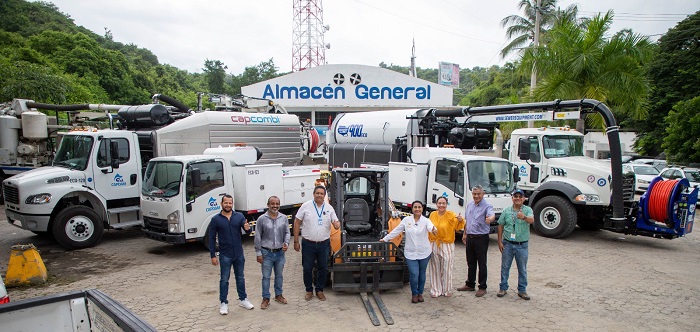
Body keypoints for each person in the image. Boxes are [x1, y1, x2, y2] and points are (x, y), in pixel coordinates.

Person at [381, 200, 437, 304]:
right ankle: (414, 293)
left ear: (422, 209)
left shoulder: (426, 220)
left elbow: (431, 227)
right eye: (415, 207)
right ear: (412, 209)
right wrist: (385, 239)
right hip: (410, 253)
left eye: (419, 207)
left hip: (424, 252)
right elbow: (397, 230)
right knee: (414, 274)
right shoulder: (406, 220)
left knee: (422, 274)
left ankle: (420, 293)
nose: (417, 209)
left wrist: (433, 229)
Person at [209, 194, 254, 315]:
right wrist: (213, 255)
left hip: (238, 254)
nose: (228, 205)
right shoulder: (216, 219)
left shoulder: (239, 216)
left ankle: (243, 299)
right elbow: (211, 238)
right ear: (221, 204)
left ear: (232, 204)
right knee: (224, 279)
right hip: (225, 255)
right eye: (226, 203)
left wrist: (248, 228)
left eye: (230, 203)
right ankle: (223, 303)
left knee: (240, 278)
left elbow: (248, 232)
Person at [293, 186, 340, 301]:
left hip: (323, 244)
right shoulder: (306, 206)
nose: (319, 195)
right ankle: (309, 290)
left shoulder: (329, 208)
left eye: (321, 193)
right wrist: (295, 241)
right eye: (317, 193)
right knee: (307, 268)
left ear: (324, 195)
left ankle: (319, 290)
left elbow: (336, 221)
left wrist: (337, 224)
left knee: (323, 268)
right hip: (308, 243)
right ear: (313, 194)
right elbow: (297, 222)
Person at [457, 185, 495, 297]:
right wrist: (465, 233)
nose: (476, 196)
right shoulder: (469, 205)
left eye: (478, 194)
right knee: (470, 262)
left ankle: (482, 287)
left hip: (481, 238)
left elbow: (491, 215)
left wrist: (490, 219)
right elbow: (467, 221)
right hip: (470, 237)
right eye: (474, 194)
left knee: (482, 263)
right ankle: (470, 284)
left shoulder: (487, 205)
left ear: (483, 194)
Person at [497, 189, 534, 300]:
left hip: (522, 245)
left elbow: (532, 220)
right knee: (505, 267)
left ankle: (522, 290)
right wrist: (499, 241)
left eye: (520, 196)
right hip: (508, 243)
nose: (517, 198)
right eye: (515, 196)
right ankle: (503, 287)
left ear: (523, 198)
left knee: (522, 268)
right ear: (512, 198)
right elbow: (500, 226)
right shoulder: (507, 211)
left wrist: (524, 217)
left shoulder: (527, 210)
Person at [254, 196, 290, 309]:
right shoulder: (261, 219)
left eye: (277, 204)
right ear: (268, 205)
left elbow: (287, 233)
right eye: (272, 204)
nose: (275, 206)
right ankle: (266, 298)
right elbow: (258, 236)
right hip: (266, 253)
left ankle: (278, 295)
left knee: (279, 275)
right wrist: (258, 253)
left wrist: (286, 243)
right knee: (266, 277)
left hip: (280, 253)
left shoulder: (284, 218)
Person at [428, 196, 465, 298]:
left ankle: (447, 289)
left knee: (447, 267)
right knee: (435, 267)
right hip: (434, 243)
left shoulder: (450, 215)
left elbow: (458, 226)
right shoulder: (432, 214)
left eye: (443, 203)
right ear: (436, 204)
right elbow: (428, 227)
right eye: (439, 203)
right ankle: (435, 290)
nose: (441, 205)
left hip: (446, 244)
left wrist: (461, 220)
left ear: (446, 204)